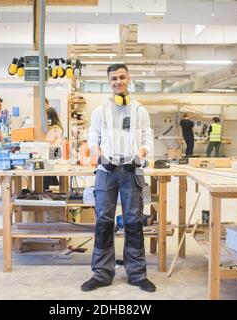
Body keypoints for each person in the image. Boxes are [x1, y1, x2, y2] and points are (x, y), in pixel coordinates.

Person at [82, 63, 155, 293]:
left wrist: (139, 156)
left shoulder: (139, 110)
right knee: (104, 222)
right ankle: (102, 273)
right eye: (113, 78)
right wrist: (100, 157)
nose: (118, 82)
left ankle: (137, 274)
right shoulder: (99, 111)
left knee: (133, 222)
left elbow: (147, 141)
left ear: (128, 79)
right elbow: (92, 139)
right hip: (107, 171)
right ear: (109, 81)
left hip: (132, 170)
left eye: (121, 77)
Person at [43, 106, 64, 190]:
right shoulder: (57, 127)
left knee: (48, 172)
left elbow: (50, 141)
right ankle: (53, 186)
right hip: (55, 151)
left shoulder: (55, 128)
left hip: (53, 151)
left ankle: (47, 189)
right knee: (51, 172)